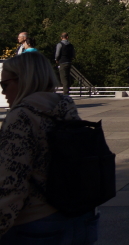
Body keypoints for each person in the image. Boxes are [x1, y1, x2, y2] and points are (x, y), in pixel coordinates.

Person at [0, 52, 98, 243]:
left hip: (36, 224)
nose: (3, 92)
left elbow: (11, 183)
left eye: (5, 85)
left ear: (23, 80)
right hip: (81, 218)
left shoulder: (21, 117)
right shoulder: (65, 107)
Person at [53, 31, 76, 96]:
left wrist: (56, 59)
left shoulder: (60, 44)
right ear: (67, 37)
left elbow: (57, 53)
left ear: (61, 37)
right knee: (67, 77)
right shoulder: (70, 45)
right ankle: (68, 90)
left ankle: (65, 93)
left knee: (63, 78)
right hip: (69, 62)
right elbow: (73, 53)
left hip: (62, 62)